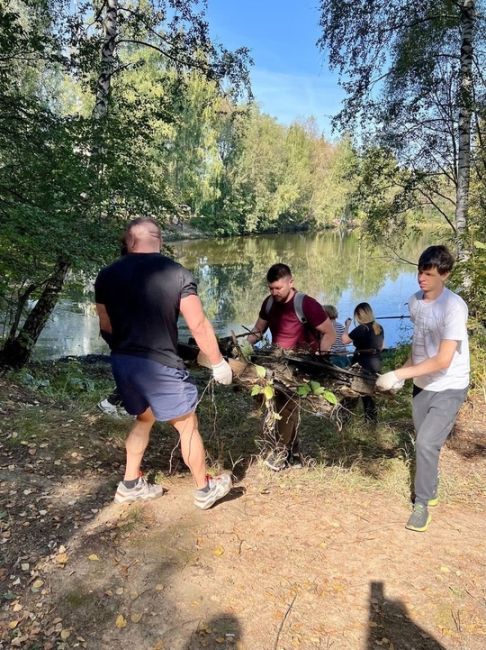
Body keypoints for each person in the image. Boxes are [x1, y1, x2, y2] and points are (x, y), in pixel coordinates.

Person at [95, 217, 233, 509]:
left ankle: (130, 484)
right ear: (159, 240)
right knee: (186, 425)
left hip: (124, 362)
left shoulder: (106, 275)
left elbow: (105, 326)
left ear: (130, 241)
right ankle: (204, 488)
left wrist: (124, 351)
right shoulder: (177, 274)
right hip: (161, 366)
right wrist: (219, 363)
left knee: (143, 418)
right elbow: (197, 324)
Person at [376, 245, 469, 532]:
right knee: (422, 440)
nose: (422, 279)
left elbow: (442, 359)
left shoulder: (454, 307)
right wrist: (403, 375)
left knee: (428, 442)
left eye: (428, 274)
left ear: (446, 275)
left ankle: (422, 504)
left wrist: (397, 372)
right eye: (420, 272)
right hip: (422, 384)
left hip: (450, 384)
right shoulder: (415, 302)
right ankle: (432, 486)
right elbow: (420, 346)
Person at [247, 263, 336, 470]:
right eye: (271, 288)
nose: (274, 292)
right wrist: (244, 345)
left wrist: (321, 359)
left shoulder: (306, 305)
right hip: (275, 363)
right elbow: (258, 330)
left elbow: (329, 333)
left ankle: (280, 453)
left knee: (286, 408)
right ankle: (294, 454)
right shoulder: (269, 303)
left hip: (301, 366)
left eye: (278, 288)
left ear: (291, 282)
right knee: (280, 407)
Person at [342, 302, 384, 423]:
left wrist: (347, 325)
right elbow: (381, 347)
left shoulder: (362, 328)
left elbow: (344, 340)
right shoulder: (379, 327)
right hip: (375, 364)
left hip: (361, 365)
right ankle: (371, 421)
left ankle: (344, 419)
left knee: (351, 391)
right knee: (368, 395)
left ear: (359, 315)